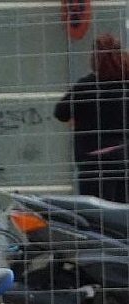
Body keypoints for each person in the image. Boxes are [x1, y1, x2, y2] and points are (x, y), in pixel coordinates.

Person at [56, 34, 129, 203]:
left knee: (97, 217)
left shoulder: (87, 85)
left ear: (94, 58)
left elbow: (60, 112)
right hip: (124, 156)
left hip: (94, 161)